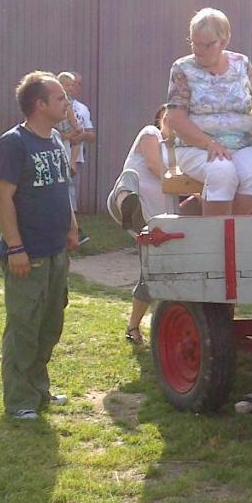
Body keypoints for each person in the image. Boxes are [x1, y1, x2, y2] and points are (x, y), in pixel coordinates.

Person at [0, 71, 80, 420]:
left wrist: (72, 228)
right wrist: (16, 248)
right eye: (59, 98)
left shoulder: (57, 140)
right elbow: (2, 198)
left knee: (49, 323)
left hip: (56, 250)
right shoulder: (14, 143)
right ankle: (19, 400)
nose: (67, 102)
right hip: (27, 254)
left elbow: (62, 189)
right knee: (23, 327)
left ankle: (39, 391)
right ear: (40, 105)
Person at [166, 8, 252, 216]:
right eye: (194, 43)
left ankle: (220, 230)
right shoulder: (183, 68)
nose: (199, 50)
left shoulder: (241, 64)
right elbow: (175, 118)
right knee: (222, 172)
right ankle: (217, 239)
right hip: (196, 147)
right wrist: (209, 143)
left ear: (224, 41)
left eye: (206, 45)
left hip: (241, 144)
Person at [106, 105, 172, 344]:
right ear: (159, 119)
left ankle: (135, 327)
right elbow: (154, 166)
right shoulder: (150, 133)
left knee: (153, 271)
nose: (172, 118)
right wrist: (182, 182)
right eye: (167, 114)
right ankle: (127, 203)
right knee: (129, 177)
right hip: (127, 208)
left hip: (153, 221)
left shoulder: (182, 151)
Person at [57, 71, 95, 245]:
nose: (74, 88)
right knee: (63, 192)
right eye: (71, 84)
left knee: (70, 192)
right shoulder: (59, 104)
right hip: (59, 150)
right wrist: (67, 135)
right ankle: (72, 230)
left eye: (77, 85)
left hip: (73, 155)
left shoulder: (81, 108)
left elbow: (89, 134)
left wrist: (76, 135)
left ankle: (72, 230)